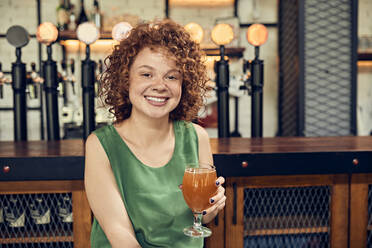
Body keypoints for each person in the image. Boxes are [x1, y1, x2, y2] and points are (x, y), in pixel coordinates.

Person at [84, 19, 226, 248]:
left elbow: (202, 217)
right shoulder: (100, 145)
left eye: (171, 76)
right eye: (146, 74)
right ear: (126, 79)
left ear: (184, 84)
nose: (160, 85)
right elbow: (120, 236)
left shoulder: (197, 137)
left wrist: (213, 206)